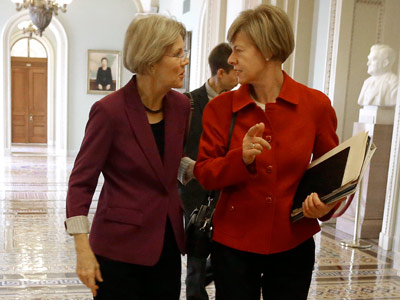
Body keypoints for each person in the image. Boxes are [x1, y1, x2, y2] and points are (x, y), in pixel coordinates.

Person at [193, 4, 342, 300]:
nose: (232, 59)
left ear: (269, 51)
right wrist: (241, 158)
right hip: (233, 247)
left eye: (239, 50)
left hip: (293, 246)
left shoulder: (315, 105)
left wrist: (328, 207)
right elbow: (204, 174)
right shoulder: (220, 109)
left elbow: (335, 173)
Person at [65, 14, 190, 299]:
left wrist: (208, 166)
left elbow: (169, 163)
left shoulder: (182, 106)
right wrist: (83, 251)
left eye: (184, 53)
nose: (185, 61)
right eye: (177, 54)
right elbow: (81, 183)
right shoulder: (109, 112)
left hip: (166, 245)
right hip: (117, 251)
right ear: (150, 59)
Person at [178, 42, 238, 300]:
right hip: (195, 195)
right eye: (234, 70)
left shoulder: (239, 104)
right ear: (221, 73)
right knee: (196, 263)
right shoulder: (188, 103)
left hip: (228, 193)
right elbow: (176, 149)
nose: (240, 75)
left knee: (228, 257)